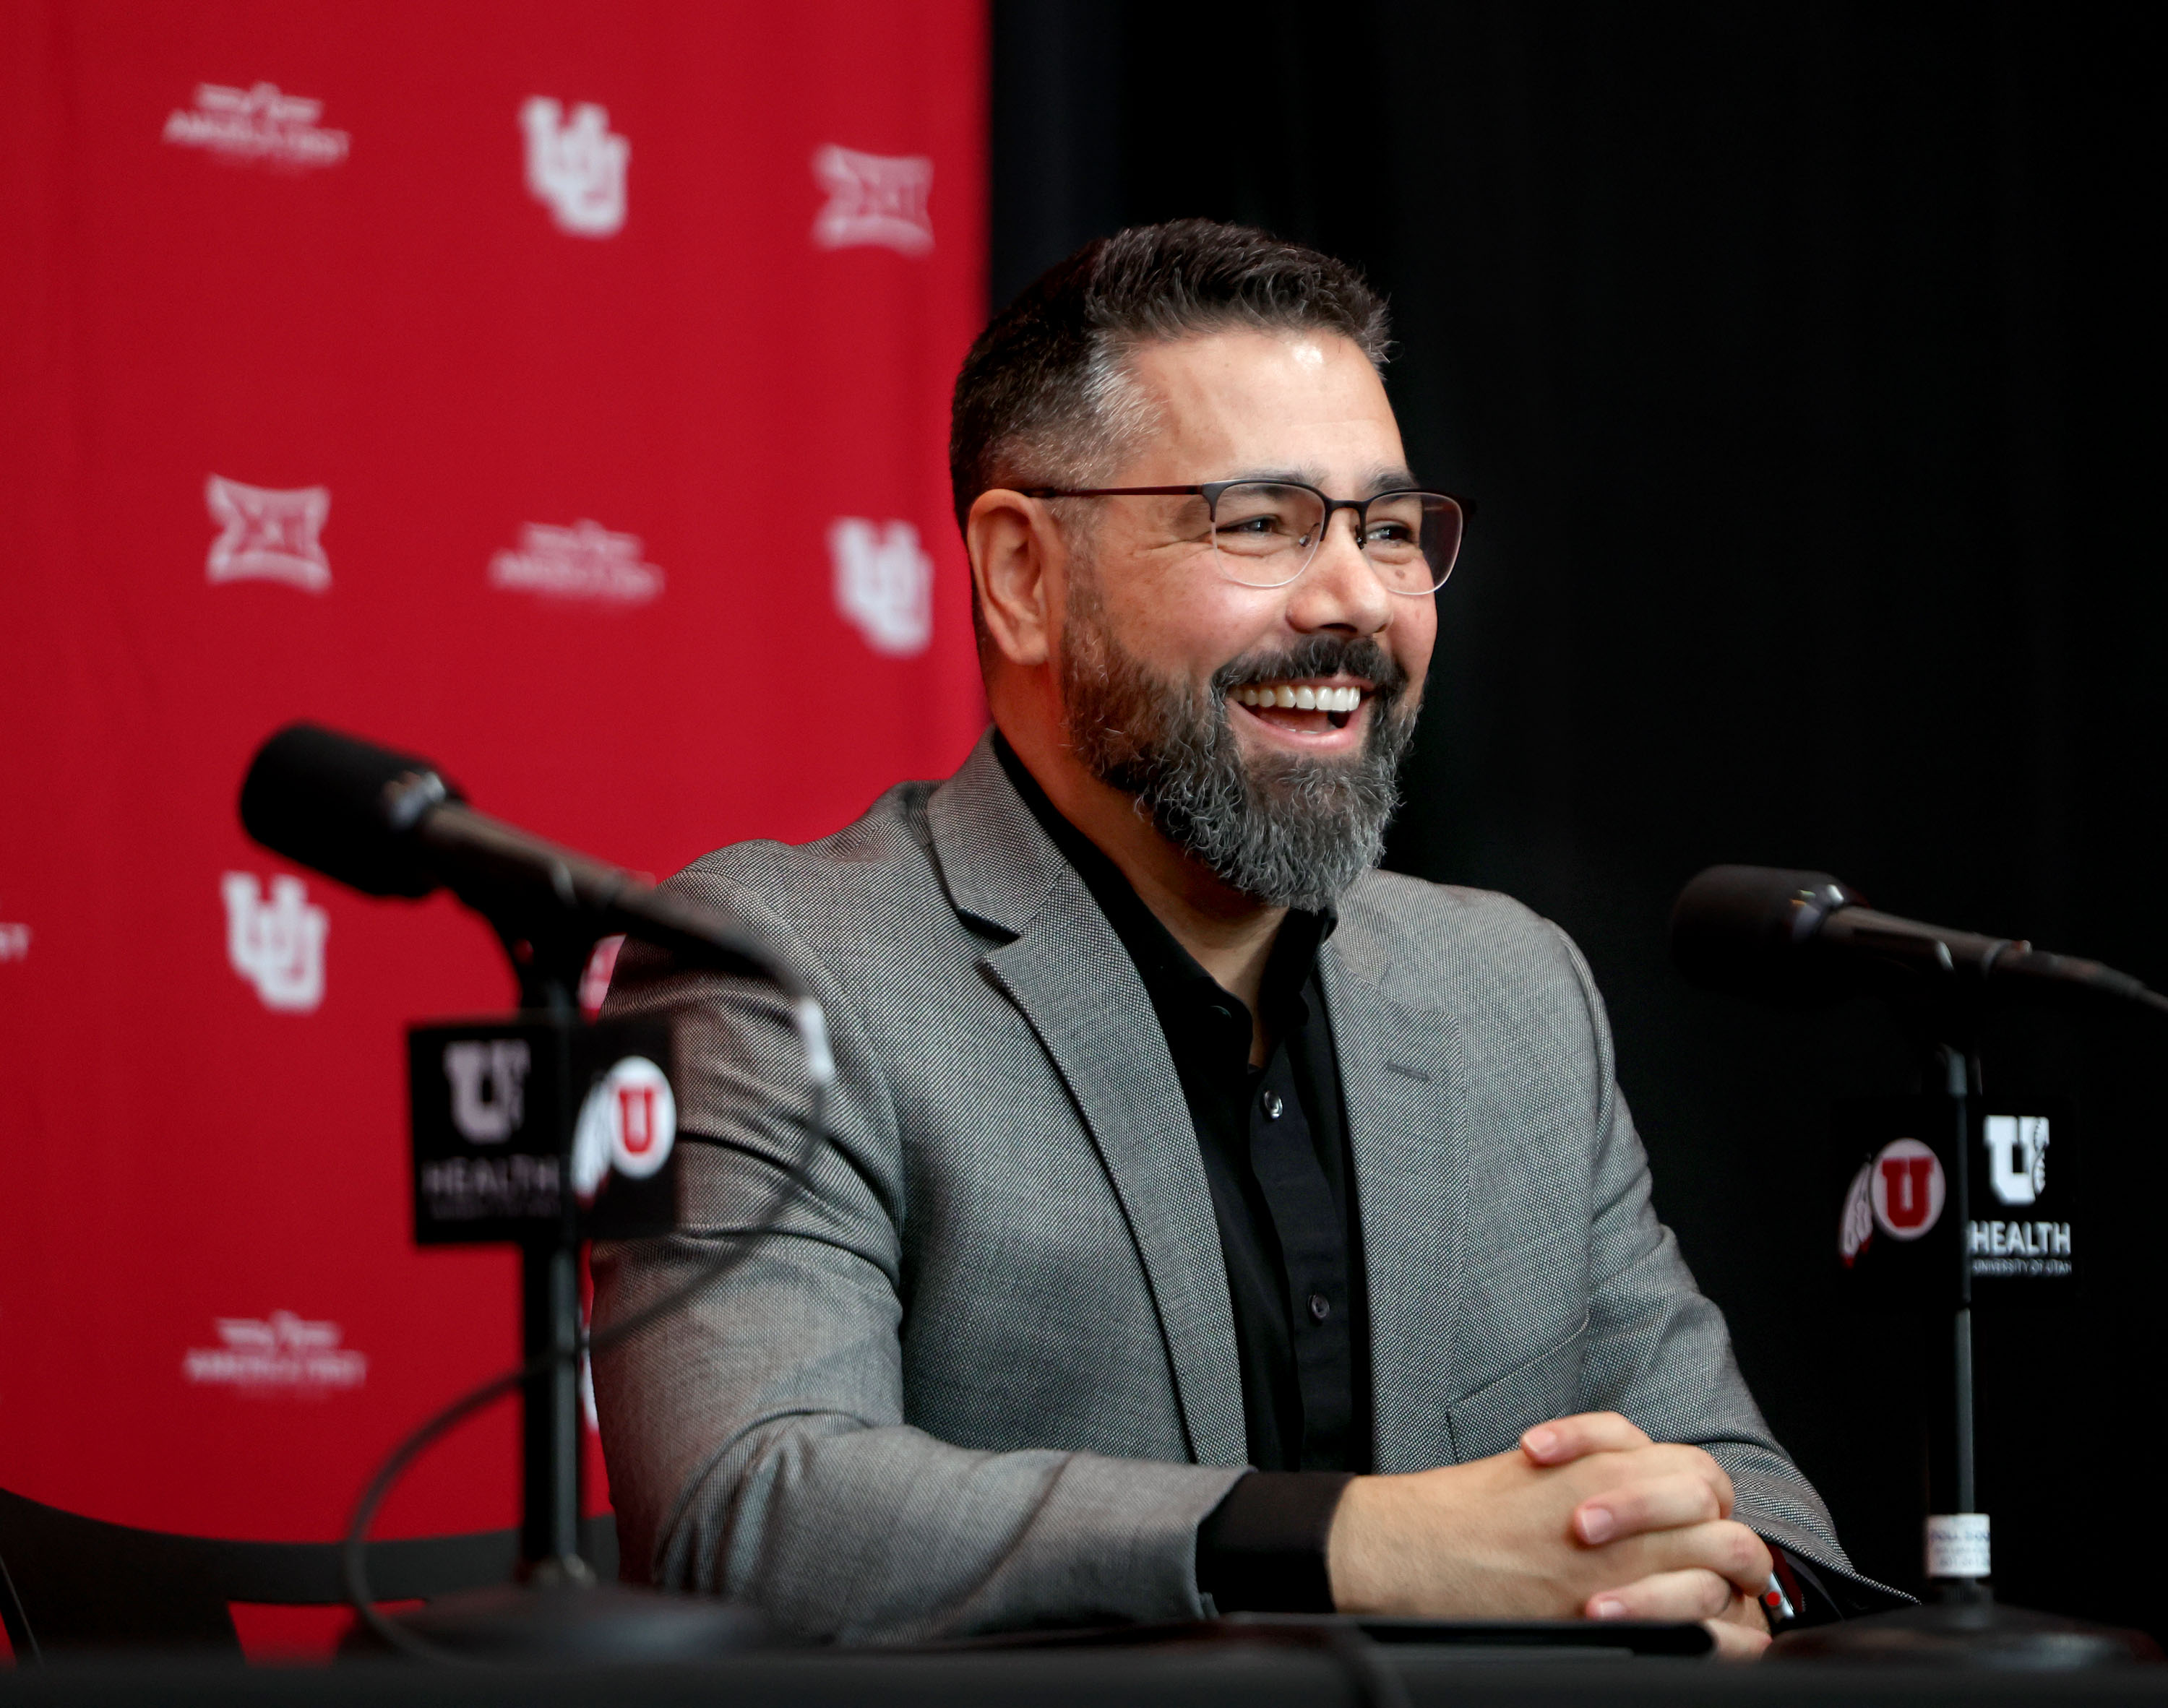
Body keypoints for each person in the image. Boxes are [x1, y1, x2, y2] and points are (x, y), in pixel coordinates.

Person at [593, 220, 1894, 1656]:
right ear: (1023, 574)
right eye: (1261, 523)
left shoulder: (1512, 993)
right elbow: (751, 1511)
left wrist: (1718, 1567)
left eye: (1389, 530)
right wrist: (1358, 1545)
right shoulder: (776, 968)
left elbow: (1756, 1503)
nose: (1352, 601)